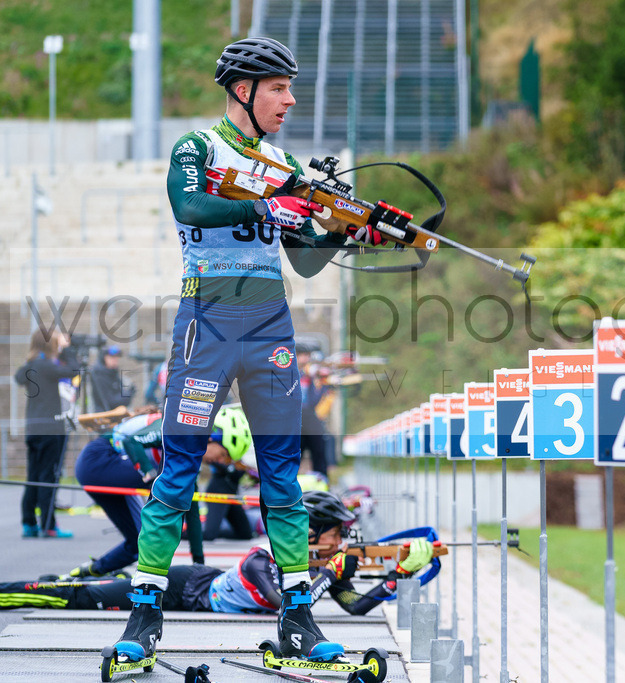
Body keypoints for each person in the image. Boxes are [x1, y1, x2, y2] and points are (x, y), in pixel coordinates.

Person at [113, 36, 386, 666]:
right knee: (178, 469)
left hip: (270, 325)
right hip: (205, 321)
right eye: (279, 88)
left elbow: (307, 263)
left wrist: (344, 229)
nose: (290, 100)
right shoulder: (197, 148)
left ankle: (298, 618)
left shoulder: (285, 161)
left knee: (282, 477)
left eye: (291, 89)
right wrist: (271, 198)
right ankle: (145, 614)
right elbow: (190, 204)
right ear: (244, 90)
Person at [0, 491, 436, 619]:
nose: (344, 541)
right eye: (338, 533)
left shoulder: (320, 568)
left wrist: (398, 574)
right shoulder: (262, 559)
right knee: (72, 594)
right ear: (314, 533)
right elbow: (289, 607)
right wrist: (331, 574)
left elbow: (356, 607)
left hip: (200, 581)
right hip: (179, 588)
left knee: (77, 590)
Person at [61, 408, 248, 580]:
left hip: (112, 464)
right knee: (172, 478)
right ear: (212, 438)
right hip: (98, 459)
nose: (222, 461)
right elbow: (130, 441)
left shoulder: (191, 454)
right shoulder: (180, 430)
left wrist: (199, 565)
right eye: (223, 454)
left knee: (137, 544)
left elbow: (192, 510)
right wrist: (151, 477)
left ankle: (88, 572)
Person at [15, 329, 81, 539]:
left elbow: (18, 375)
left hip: (33, 429)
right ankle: (49, 524)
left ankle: (29, 523)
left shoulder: (32, 366)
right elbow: (74, 370)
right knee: (48, 476)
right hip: (51, 429)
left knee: (34, 476)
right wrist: (68, 349)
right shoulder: (47, 367)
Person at [201, 409, 256, 542]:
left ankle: (211, 531)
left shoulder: (237, 458)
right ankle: (184, 531)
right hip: (218, 491)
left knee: (246, 534)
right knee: (209, 535)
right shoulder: (215, 454)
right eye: (223, 455)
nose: (222, 459)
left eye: (226, 457)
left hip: (231, 493)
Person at [296, 344, 329, 477]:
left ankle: (322, 481)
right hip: (294, 420)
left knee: (318, 451)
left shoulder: (308, 376)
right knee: (293, 456)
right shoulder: (289, 374)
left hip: (308, 419)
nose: (307, 359)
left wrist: (324, 387)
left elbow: (312, 402)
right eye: (304, 355)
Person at [89, 346, 136, 412]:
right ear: (104, 358)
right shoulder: (99, 375)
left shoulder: (113, 373)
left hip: (116, 414)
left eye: (116, 358)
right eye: (112, 357)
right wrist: (128, 394)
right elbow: (110, 402)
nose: (115, 360)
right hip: (104, 416)